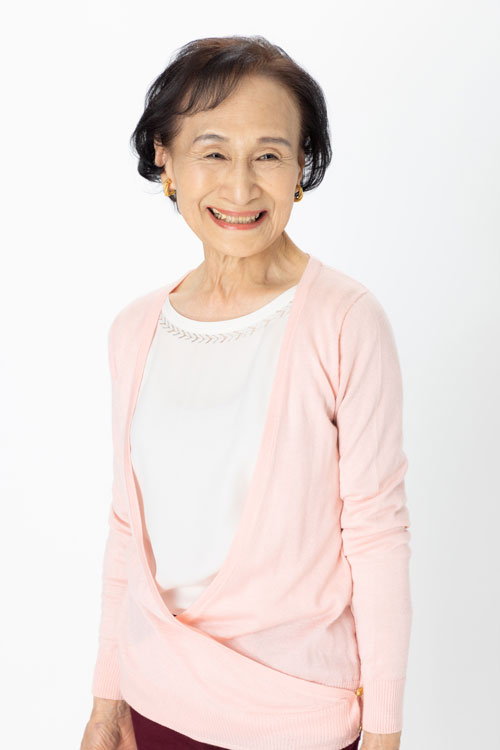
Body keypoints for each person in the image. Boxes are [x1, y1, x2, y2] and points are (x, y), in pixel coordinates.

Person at [80, 35, 411, 750]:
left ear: (300, 169)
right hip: (154, 706)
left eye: (268, 155)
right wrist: (107, 701)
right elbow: (126, 528)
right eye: (213, 152)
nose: (239, 188)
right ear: (166, 160)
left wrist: (385, 731)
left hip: (296, 720)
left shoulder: (345, 320)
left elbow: (377, 534)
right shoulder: (135, 330)